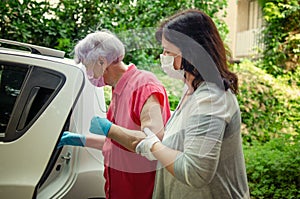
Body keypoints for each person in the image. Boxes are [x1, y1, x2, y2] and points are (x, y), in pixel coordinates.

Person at [90, 9, 250, 198]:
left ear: (192, 54)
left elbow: (195, 172)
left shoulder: (212, 100)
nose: (163, 57)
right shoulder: (191, 92)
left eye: (168, 51)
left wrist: (151, 145)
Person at [58, 30, 171, 199]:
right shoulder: (118, 90)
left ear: (102, 62)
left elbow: (153, 142)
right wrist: (81, 140)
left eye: (87, 65)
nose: (87, 71)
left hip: (140, 193)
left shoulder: (144, 86)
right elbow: (119, 142)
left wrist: (109, 129)